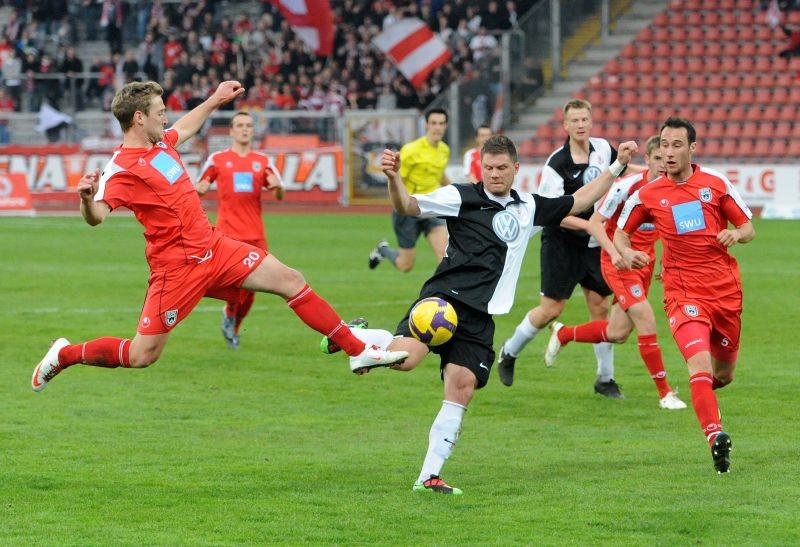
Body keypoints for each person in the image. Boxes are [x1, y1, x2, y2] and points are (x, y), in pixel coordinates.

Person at [31, 80, 408, 393]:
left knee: (291, 280)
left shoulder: (161, 142)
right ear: (138, 117)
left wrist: (214, 99)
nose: (167, 116)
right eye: (160, 111)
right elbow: (97, 217)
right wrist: (84, 199)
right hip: (176, 270)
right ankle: (64, 355)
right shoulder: (120, 169)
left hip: (215, 247)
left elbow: (188, 125)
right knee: (142, 355)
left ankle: (356, 349)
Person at [325, 135, 637, 494]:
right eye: (488, 168)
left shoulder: (529, 206)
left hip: (481, 315)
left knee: (463, 388)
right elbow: (408, 207)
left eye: (502, 167)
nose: (494, 174)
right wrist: (395, 179)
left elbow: (581, 199)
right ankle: (354, 338)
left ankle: (428, 477)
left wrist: (616, 166)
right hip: (444, 301)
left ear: (516, 169)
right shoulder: (462, 196)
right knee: (406, 362)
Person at [615, 117, 754, 473]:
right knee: (700, 366)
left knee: (722, 376)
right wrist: (627, 253)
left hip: (725, 292)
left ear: (692, 148)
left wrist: (735, 236)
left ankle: (702, 396)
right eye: (664, 145)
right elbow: (620, 233)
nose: (669, 152)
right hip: (682, 292)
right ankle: (715, 437)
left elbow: (748, 226)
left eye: (677, 145)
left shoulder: (715, 185)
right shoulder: (647, 194)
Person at [497, 98, 634, 397]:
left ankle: (605, 379)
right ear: (566, 125)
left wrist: (654, 172)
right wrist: (592, 226)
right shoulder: (556, 165)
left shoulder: (603, 149)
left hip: (593, 244)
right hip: (562, 242)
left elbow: (622, 170)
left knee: (599, 306)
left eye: (585, 119)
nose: (581, 125)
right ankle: (509, 351)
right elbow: (554, 214)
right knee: (551, 310)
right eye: (575, 121)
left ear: (591, 121)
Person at [542, 135, 686, 410]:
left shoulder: (672, 189)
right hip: (617, 263)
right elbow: (596, 223)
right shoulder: (626, 187)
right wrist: (615, 253)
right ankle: (665, 393)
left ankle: (563, 334)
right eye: (657, 159)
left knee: (618, 332)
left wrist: (668, 263)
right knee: (645, 318)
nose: (663, 165)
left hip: (644, 262)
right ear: (647, 160)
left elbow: (670, 231)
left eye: (666, 160)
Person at [196, 111, 285, 349]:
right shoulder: (218, 159)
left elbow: (279, 191)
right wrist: (202, 187)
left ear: (252, 131)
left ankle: (232, 325)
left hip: (256, 235)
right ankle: (229, 313)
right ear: (232, 131)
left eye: (248, 125)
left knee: (253, 290)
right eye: (240, 125)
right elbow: (200, 186)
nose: (244, 129)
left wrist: (277, 188)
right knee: (234, 285)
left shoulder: (263, 161)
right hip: (228, 235)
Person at [368, 108, 451, 272]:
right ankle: (383, 249)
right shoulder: (411, 150)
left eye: (441, 123)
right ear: (426, 125)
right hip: (409, 208)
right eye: (434, 123)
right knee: (405, 266)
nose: (437, 127)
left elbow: (439, 175)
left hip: (432, 208)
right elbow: (397, 179)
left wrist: (456, 191)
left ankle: (442, 295)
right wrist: (403, 204)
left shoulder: (444, 150)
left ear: (446, 126)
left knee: (445, 255)